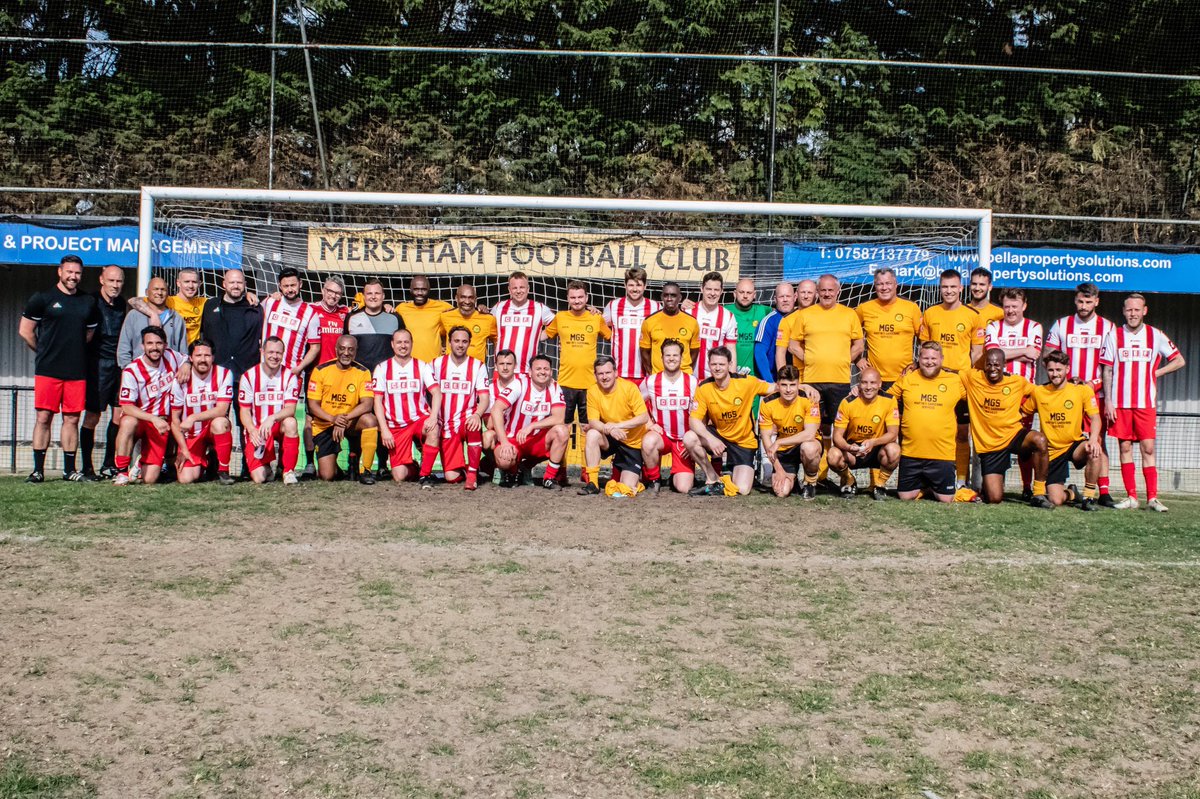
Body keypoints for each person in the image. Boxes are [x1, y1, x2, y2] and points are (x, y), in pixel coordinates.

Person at [1100, 292, 1186, 511]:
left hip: (1145, 402)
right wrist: (1108, 401)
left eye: (1137, 310)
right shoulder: (1114, 335)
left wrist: (1155, 373)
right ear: (1123, 311)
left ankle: (1153, 498)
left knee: (1148, 448)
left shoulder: (1155, 335)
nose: (1133, 314)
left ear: (1144, 311)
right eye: (1129, 309)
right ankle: (1131, 497)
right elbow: (1107, 369)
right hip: (1120, 402)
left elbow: (1178, 360)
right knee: (1125, 447)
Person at [19, 254, 101, 482]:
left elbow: (89, 333)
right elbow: (25, 331)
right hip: (48, 370)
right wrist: (43, 351)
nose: (73, 277)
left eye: (77, 273)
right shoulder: (42, 298)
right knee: (44, 418)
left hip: (76, 372)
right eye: (69, 272)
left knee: (72, 419)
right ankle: (38, 471)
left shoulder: (87, 303)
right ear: (60, 271)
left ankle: (69, 470)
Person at [788, 273, 864, 487]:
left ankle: (845, 476)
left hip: (840, 382)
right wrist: (810, 360)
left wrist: (843, 360)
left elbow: (859, 344)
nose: (827, 293)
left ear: (838, 291)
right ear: (817, 292)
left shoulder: (849, 315)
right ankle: (815, 477)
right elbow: (793, 345)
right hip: (812, 382)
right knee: (815, 429)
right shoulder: (805, 314)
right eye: (823, 290)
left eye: (831, 290)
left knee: (840, 430)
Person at [1045, 282, 1117, 506]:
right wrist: (1067, 378)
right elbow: (1048, 354)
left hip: (1096, 394)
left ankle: (1102, 492)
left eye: (1088, 301)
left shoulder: (1108, 327)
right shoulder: (1061, 324)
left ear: (1096, 301)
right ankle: (1041, 487)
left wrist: (1093, 383)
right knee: (1059, 437)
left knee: (1098, 442)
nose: (1084, 305)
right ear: (1075, 301)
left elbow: (1111, 365)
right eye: (1080, 301)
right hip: (1066, 394)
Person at [685, 346, 782, 497]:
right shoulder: (704, 387)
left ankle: (728, 480)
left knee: (742, 490)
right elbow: (694, 421)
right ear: (709, 365)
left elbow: (774, 387)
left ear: (730, 365)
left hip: (743, 441)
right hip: (719, 436)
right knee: (689, 438)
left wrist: (804, 387)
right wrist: (711, 439)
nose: (717, 368)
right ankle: (713, 479)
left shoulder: (746, 382)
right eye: (714, 364)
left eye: (721, 364)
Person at [960, 349, 1052, 508]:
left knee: (1039, 440)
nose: (993, 368)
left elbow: (1040, 393)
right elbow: (952, 372)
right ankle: (989, 485)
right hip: (990, 446)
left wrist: (1026, 411)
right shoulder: (973, 377)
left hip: (1013, 434)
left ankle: (1039, 493)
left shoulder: (1017, 382)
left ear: (1004, 365)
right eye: (989, 364)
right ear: (984, 365)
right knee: (994, 498)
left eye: (997, 364)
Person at [919, 269, 985, 486]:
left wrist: (963, 372)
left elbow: (976, 351)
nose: (948, 291)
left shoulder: (973, 316)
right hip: (935, 379)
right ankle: (931, 477)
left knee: (962, 432)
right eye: (944, 287)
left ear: (960, 288)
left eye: (952, 287)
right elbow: (925, 346)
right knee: (934, 428)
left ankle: (961, 479)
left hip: (960, 382)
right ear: (940, 288)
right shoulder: (930, 313)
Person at [546, 281, 612, 478]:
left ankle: (586, 471)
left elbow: (612, 337)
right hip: (565, 383)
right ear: (567, 299)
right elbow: (543, 335)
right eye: (573, 297)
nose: (576, 301)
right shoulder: (560, 317)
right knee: (562, 429)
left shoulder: (596, 318)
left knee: (587, 428)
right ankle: (560, 471)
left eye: (580, 297)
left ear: (587, 298)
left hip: (590, 385)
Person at [1023, 350, 1104, 510]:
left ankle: (1088, 498)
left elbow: (1095, 418)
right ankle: (1072, 493)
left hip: (1074, 445)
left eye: (1059, 370)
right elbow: (1023, 413)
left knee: (1094, 450)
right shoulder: (1039, 392)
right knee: (1056, 500)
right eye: (1051, 370)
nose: (1055, 374)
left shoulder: (1082, 390)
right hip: (1051, 451)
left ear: (1067, 369)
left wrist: (1093, 438)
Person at [888, 341, 967, 503]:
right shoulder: (908, 378)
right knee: (905, 497)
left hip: (942, 455)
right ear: (918, 359)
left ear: (942, 359)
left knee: (946, 499)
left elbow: (976, 396)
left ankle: (931, 485)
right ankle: (925, 485)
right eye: (925, 358)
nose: (929, 362)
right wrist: (858, 391)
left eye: (934, 358)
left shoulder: (954, 380)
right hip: (911, 454)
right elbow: (885, 398)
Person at [112, 325, 183, 486]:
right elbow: (127, 406)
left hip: (161, 422)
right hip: (141, 419)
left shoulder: (172, 356)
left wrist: (186, 365)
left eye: (159, 343)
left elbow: (187, 359)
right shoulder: (132, 371)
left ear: (165, 345)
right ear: (142, 346)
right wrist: (153, 418)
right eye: (149, 344)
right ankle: (122, 472)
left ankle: (140, 463)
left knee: (150, 479)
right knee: (127, 421)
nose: (154, 348)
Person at [371, 329, 443, 484]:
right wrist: (384, 430)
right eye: (399, 342)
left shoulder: (422, 366)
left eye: (406, 342)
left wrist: (433, 417)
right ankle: (416, 467)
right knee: (399, 476)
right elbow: (377, 401)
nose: (403, 346)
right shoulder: (382, 368)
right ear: (392, 344)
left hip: (418, 419)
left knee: (433, 429)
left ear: (411, 344)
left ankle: (425, 474)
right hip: (396, 425)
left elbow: (436, 393)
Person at [307, 335, 379, 484]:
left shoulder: (363, 372)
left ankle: (365, 470)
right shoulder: (320, 370)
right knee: (327, 476)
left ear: (356, 351)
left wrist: (344, 418)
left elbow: (367, 404)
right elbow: (313, 405)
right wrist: (333, 419)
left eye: (350, 349)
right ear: (336, 350)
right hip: (326, 422)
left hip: (350, 421)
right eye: (342, 349)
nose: (346, 353)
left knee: (370, 420)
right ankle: (336, 467)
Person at [489, 354, 570, 487]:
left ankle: (549, 478)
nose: (542, 372)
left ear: (551, 371)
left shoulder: (555, 387)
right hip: (514, 438)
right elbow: (496, 409)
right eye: (538, 369)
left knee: (562, 431)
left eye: (546, 369)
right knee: (504, 460)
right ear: (530, 372)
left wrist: (533, 425)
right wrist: (504, 442)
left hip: (537, 440)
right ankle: (515, 471)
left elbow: (559, 417)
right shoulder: (519, 384)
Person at [301, 276, 353, 476]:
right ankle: (309, 463)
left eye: (337, 293)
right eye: (330, 291)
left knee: (337, 418)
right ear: (323, 290)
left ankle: (338, 460)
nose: (333, 296)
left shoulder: (345, 313)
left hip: (339, 377)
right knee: (310, 419)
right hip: (315, 375)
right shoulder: (309, 309)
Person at [577, 356, 650, 495]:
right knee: (592, 434)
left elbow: (643, 417)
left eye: (608, 372)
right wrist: (609, 429)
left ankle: (637, 481)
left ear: (615, 373)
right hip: (611, 437)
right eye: (600, 373)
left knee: (626, 488)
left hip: (631, 442)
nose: (604, 377)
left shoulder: (629, 388)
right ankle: (593, 483)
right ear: (595, 375)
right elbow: (593, 422)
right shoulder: (593, 390)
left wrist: (618, 426)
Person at [430, 326, 491, 490]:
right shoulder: (436, 364)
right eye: (456, 341)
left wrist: (477, 414)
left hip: (466, 419)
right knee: (451, 477)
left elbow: (484, 398)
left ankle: (472, 474)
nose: (460, 345)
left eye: (464, 341)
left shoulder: (478, 366)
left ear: (469, 343)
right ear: (449, 342)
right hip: (446, 424)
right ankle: (467, 468)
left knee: (473, 424)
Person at [82, 265, 128, 479]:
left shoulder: (123, 304)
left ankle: (109, 463)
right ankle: (87, 466)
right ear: (102, 280)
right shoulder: (90, 301)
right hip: (98, 365)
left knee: (119, 414)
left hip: (119, 365)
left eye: (119, 281)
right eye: (111, 281)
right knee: (93, 415)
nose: (115, 285)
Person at [829, 367, 901, 501]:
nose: (868, 387)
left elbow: (893, 434)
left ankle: (879, 485)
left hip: (877, 449)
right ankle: (849, 480)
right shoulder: (848, 402)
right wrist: (850, 448)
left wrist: (873, 442)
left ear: (880, 384)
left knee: (894, 450)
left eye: (873, 383)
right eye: (864, 382)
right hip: (853, 450)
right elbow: (837, 436)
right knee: (833, 455)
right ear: (859, 384)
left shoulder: (889, 400)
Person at [170, 338, 235, 485]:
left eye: (207, 355)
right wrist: (184, 450)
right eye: (198, 356)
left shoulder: (224, 374)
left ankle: (223, 470)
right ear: (191, 358)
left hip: (212, 430)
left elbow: (222, 409)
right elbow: (175, 420)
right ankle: (206, 460)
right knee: (186, 479)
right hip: (192, 435)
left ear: (213, 357)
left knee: (221, 422)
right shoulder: (180, 380)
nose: (203, 360)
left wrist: (193, 417)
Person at [238, 336, 302, 485]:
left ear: (283, 353)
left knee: (291, 423)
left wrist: (272, 418)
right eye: (271, 352)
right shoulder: (249, 376)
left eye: (278, 353)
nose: (274, 356)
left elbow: (290, 409)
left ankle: (288, 471)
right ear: (262, 352)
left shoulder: (289, 377)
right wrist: (251, 429)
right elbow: (244, 411)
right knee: (259, 478)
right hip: (258, 429)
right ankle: (268, 468)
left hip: (277, 425)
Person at [641, 339, 699, 494]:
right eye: (668, 355)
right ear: (661, 358)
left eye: (675, 355)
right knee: (648, 441)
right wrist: (649, 423)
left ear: (682, 358)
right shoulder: (651, 381)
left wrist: (692, 439)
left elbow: (702, 412)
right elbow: (636, 405)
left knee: (683, 488)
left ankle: (677, 474)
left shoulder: (692, 382)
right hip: (662, 436)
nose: (671, 358)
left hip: (683, 440)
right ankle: (654, 480)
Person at [758, 364, 823, 499]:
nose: (788, 390)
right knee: (781, 492)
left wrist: (779, 441)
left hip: (806, 444)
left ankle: (810, 483)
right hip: (785, 450)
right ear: (778, 385)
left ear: (798, 384)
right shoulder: (767, 403)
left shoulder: (810, 398)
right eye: (784, 385)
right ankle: (792, 480)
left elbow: (810, 434)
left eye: (792, 385)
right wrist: (780, 470)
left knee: (809, 448)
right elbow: (766, 438)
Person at [854, 267, 921, 391]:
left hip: (904, 377)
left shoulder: (911, 308)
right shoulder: (864, 308)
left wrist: (918, 364)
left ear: (896, 284)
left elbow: (926, 340)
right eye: (880, 284)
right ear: (875, 286)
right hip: (874, 380)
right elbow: (847, 336)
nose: (884, 288)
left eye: (888, 283)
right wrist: (857, 359)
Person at [603, 267, 660, 383]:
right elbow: (598, 324)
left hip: (647, 373)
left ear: (645, 286)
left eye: (638, 285)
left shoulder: (656, 307)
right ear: (625, 285)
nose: (634, 289)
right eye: (631, 285)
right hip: (619, 374)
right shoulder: (613, 306)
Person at [491, 271, 555, 373]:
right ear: (509, 290)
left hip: (527, 371)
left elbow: (558, 324)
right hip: (501, 371)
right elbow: (489, 328)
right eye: (514, 288)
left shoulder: (539, 308)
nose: (518, 291)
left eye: (522, 287)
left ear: (528, 289)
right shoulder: (499, 307)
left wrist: (540, 336)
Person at [116, 276, 187, 367]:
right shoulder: (133, 316)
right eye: (156, 289)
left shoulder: (177, 318)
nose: (159, 293)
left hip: (168, 375)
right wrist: (128, 369)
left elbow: (183, 351)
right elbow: (124, 347)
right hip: (140, 373)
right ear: (147, 292)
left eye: (163, 289)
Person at [129, 268, 205, 345]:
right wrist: (153, 314)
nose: (191, 286)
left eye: (194, 282)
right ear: (178, 283)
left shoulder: (203, 302)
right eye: (186, 282)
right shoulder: (166, 300)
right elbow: (133, 301)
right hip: (172, 350)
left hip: (193, 352)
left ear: (199, 284)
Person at [345, 278, 405, 371]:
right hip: (358, 375)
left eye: (377, 293)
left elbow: (403, 346)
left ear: (383, 296)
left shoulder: (395, 318)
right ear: (364, 296)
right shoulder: (351, 318)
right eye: (369, 293)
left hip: (386, 374)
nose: (373, 296)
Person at [639, 282, 699, 375]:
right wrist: (652, 373)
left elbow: (694, 351)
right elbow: (644, 351)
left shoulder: (692, 322)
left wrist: (687, 371)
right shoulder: (649, 321)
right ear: (662, 297)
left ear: (680, 298)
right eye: (666, 295)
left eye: (673, 295)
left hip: (684, 376)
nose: (669, 299)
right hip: (658, 376)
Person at [689, 271, 739, 380]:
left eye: (716, 290)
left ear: (722, 291)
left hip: (715, 379)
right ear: (701, 289)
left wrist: (732, 377)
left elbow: (731, 349)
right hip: (690, 377)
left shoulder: (728, 316)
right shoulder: (688, 311)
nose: (712, 293)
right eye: (708, 289)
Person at [396, 275, 453, 363]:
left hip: (433, 364)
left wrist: (480, 309)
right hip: (408, 364)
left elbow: (461, 314)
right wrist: (385, 307)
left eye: (423, 289)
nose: (420, 293)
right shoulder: (402, 308)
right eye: (416, 289)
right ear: (410, 290)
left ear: (429, 290)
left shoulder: (442, 307)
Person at [439, 283, 497, 364]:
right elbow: (440, 334)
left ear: (475, 299)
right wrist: (443, 347)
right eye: (463, 297)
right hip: (451, 370)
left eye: (471, 297)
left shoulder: (488, 319)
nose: (467, 301)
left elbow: (498, 340)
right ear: (456, 298)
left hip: (476, 371)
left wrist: (498, 360)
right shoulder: (445, 316)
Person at [726, 278, 771, 376]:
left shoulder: (763, 311)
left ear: (754, 295)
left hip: (755, 376)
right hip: (730, 373)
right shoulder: (725, 311)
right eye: (741, 292)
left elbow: (785, 313)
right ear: (734, 293)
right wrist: (686, 306)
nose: (745, 296)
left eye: (749, 292)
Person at [753, 281, 796, 381]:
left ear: (795, 297)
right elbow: (760, 353)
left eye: (788, 296)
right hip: (775, 381)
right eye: (781, 297)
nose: (785, 300)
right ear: (775, 299)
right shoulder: (768, 321)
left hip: (800, 380)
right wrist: (770, 382)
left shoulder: (801, 317)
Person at [773, 278, 817, 375]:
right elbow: (780, 353)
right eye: (803, 292)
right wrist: (783, 378)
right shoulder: (787, 320)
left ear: (816, 294)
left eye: (809, 293)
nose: (806, 296)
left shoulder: (823, 316)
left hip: (821, 374)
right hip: (800, 378)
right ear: (796, 295)